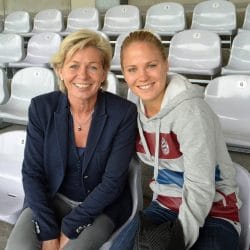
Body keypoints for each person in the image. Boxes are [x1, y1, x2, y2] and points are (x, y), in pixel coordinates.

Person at [5, 29, 137, 250]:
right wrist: (48, 232)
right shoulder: (41, 108)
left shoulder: (123, 113)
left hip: (101, 207)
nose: (83, 76)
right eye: (74, 66)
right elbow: (32, 173)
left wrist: (70, 227)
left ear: (104, 73)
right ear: (60, 70)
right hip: (51, 199)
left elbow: (112, 183)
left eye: (93, 67)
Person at [112, 30, 241, 250]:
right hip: (165, 205)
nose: (142, 76)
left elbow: (201, 186)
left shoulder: (191, 112)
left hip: (215, 211)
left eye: (151, 65)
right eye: (132, 69)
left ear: (166, 64)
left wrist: (176, 241)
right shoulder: (135, 112)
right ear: (124, 73)